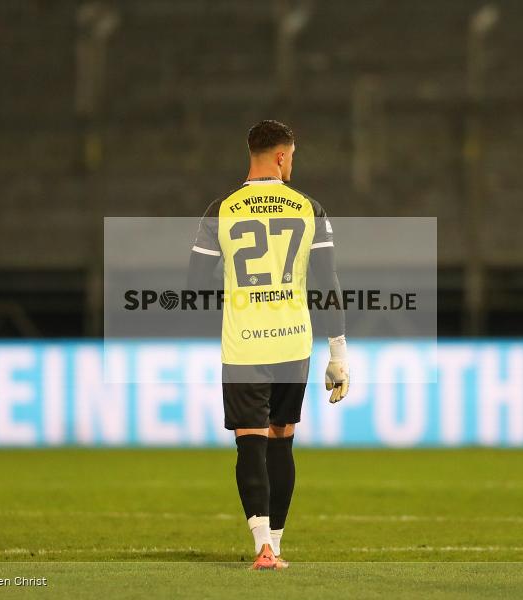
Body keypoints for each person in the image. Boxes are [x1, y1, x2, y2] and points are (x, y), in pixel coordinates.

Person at [187, 120, 349, 570]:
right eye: (292, 156)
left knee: (250, 443)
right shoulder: (308, 208)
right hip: (293, 343)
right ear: (281, 156)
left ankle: (262, 545)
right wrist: (338, 353)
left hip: (244, 344)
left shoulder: (221, 209)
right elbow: (326, 283)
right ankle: (275, 546)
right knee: (281, 440)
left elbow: (194, 284)